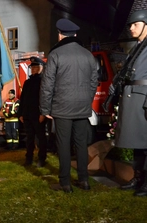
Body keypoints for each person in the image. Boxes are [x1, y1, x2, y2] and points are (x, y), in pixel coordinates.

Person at [40, 19, 98, 193]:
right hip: (82, 107)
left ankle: (65, 182)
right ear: (75, 35)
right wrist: (87, 99)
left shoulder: (56, 54)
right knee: (81, 144)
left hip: (62, 107)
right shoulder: (88, 54)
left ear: (60, 34)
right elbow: (93, 81)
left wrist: (45, 108)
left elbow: (47, 84)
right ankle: (84, 180)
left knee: (63, 145)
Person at [113, 10, 147, 197]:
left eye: (135, 24)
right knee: (137, 142)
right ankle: (139, 177)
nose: (131, 28)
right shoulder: (139, 47)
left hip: (146, 99)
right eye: (130, 25)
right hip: (134, 98)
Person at [18, 57, 48, 167]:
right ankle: (28, 158)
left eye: (36, 67)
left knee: (41, 138)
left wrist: (43, 113)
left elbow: (45, 99)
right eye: (32, 67)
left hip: (38, 115)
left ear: (42, 68)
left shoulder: (44, 82)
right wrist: (21, 113)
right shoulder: (27, 82)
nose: (34, 69)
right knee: (29, 138)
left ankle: (41, 159)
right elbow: (23, 99)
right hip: (27, 115)